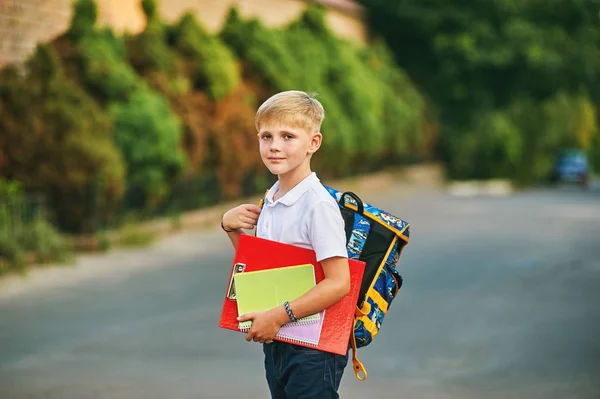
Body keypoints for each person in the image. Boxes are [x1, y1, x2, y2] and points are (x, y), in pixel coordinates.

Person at [221, 90, 351, 398]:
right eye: (266, 136)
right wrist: (230, 228)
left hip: (313, 348)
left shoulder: (317, 205)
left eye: (288, 136)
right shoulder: (271, 199)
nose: (275, 146)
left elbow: (339, 282)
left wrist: (278, 316)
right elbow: (262, 270)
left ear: (313, 143)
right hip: (280, 341)